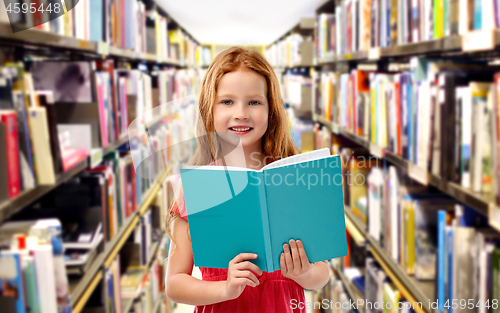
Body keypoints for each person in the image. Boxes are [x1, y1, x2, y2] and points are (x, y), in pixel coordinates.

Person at [165, 46, 330, 313]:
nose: (241, 113)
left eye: (254, 102)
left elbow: (323, 274)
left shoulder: (295, 181)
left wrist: (304, 272)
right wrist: (225, 288)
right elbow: (174, 284)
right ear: (210, 109)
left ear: (271, 109)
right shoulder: (196, 186)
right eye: (227, 101)